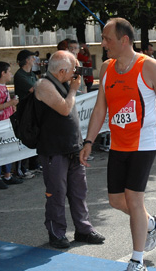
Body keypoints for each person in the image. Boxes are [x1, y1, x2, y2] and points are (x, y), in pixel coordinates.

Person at [80, 17, 156, 271]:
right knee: (116, 201)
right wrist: (89, 141)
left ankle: (137, 262)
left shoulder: (148, 67)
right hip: (118, 144)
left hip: (144, 143)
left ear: (124, 40)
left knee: (134, 200)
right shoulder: (107, 68)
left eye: (107, 39)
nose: (103, 44)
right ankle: (150, 223)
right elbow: (100, 108)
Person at [34, 50, 104, 249]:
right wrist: (73, 90)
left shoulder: (63, 83)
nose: (76, 72)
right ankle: (57, 233)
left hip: (72, 147)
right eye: (73, 68)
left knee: (79, 192)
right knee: (56, 193)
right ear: (63, 70)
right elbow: (64, 108)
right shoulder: (44, 85)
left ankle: (84, 229)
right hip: (54, 149)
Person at [0, 61, 22, 189]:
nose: (11, 74)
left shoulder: (3, 87)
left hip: (7, 120)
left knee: (7, 147)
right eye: (9, 72)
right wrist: (9, 104)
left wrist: (12, 106)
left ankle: (7, 174)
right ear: (3, 73)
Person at [13, 49, 39, 179]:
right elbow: (34, 89)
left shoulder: (31, 74)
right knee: (23, 138)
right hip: (24, 111)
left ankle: (33, 164)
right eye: (32, 58)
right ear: (27, 60)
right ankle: (21, 168)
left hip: (33, 109)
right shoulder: (20, 75)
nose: (34, 60)